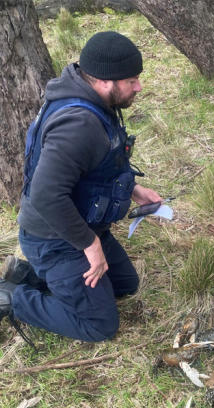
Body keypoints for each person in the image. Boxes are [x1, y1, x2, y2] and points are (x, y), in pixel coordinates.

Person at [0, 31, 162, 342]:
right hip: (54, 238)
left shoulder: (96, 99)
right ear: (104, 81)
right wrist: (90, 245)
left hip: (80, 224)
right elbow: (47, 196)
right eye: (131, 81)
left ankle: (28, 276)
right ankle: (12, 299)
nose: (138, 87)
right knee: (100, 325)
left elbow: (98, 166)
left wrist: (134, 190)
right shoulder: (79, 124)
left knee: (125, 284)